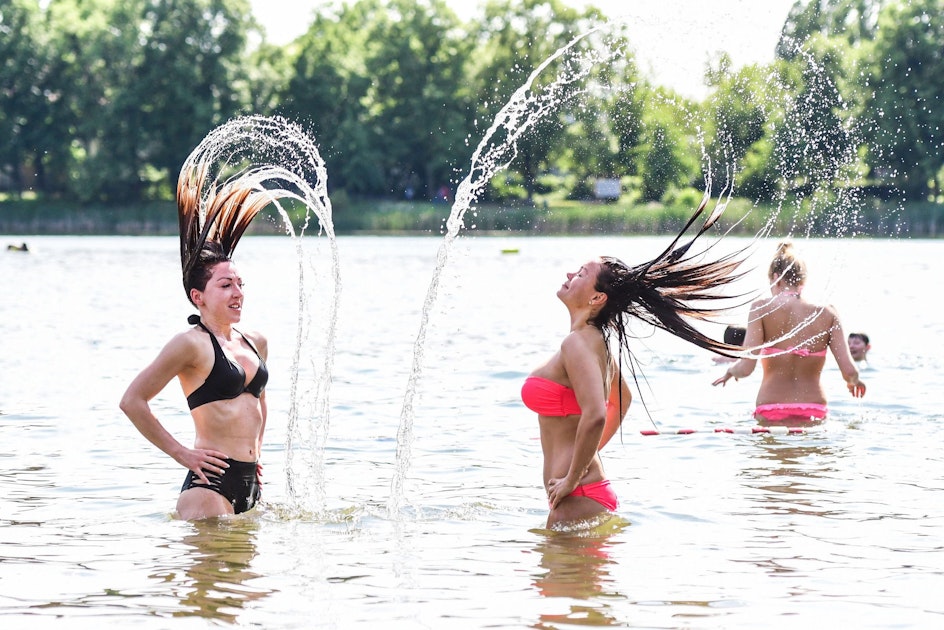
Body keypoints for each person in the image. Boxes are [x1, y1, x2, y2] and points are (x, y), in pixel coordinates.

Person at [522, 194, 747, 529]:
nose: (571, 272)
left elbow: (598, 413)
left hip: (576, 495)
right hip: (583, 493)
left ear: (597, 297)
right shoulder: (596, 342)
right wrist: (584, 462)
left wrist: (572, 477)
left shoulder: (577, 344)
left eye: (581, 273)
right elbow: (622, 400)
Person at [120, 154, 282, 520]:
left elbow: (259, 401)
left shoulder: (256, 341)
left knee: (247, 579)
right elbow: (132, 401)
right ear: (199, 297)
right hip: (209, 489)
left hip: (251, 484)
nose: (237, 292)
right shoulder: (190, 344)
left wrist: (257, 450)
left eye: (240, 284)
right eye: (225, 285)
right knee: (212, 579)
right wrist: (183, 454)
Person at [712, 242, 865, 423]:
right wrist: (854, 382)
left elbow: (746, 368)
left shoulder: (761, 309)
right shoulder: (828, 313)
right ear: (802, 281)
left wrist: (731, 371)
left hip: (770, 407)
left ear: (776, 277)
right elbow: (849, 371)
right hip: (814, 409)